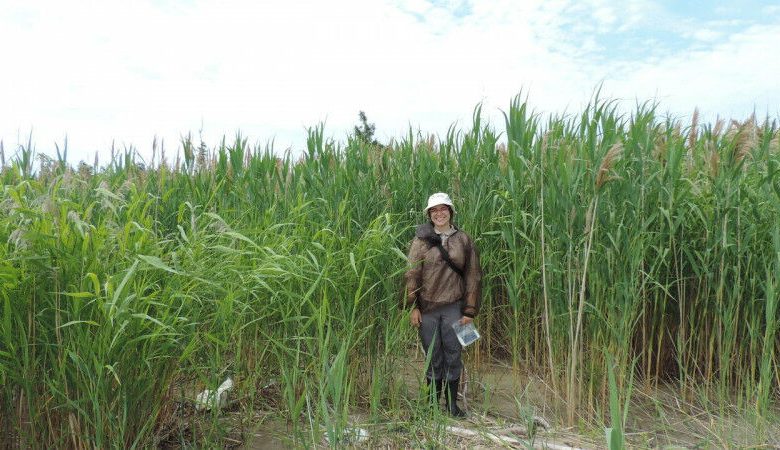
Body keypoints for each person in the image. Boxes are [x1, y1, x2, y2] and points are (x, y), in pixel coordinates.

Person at [403, 192, 482, 418]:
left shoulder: (464, 239)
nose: (439, 213)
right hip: (427, 309)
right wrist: (413, 307)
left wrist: (469, 310)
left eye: (443, 208)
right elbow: (411, 274)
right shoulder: (421, 241)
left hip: (454, 308)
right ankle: (431, 406)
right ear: (429, 214)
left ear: (451, 211)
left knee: (453, 355)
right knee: (432, 356)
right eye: (434, 210)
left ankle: (452, 406)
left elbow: (473, 275)